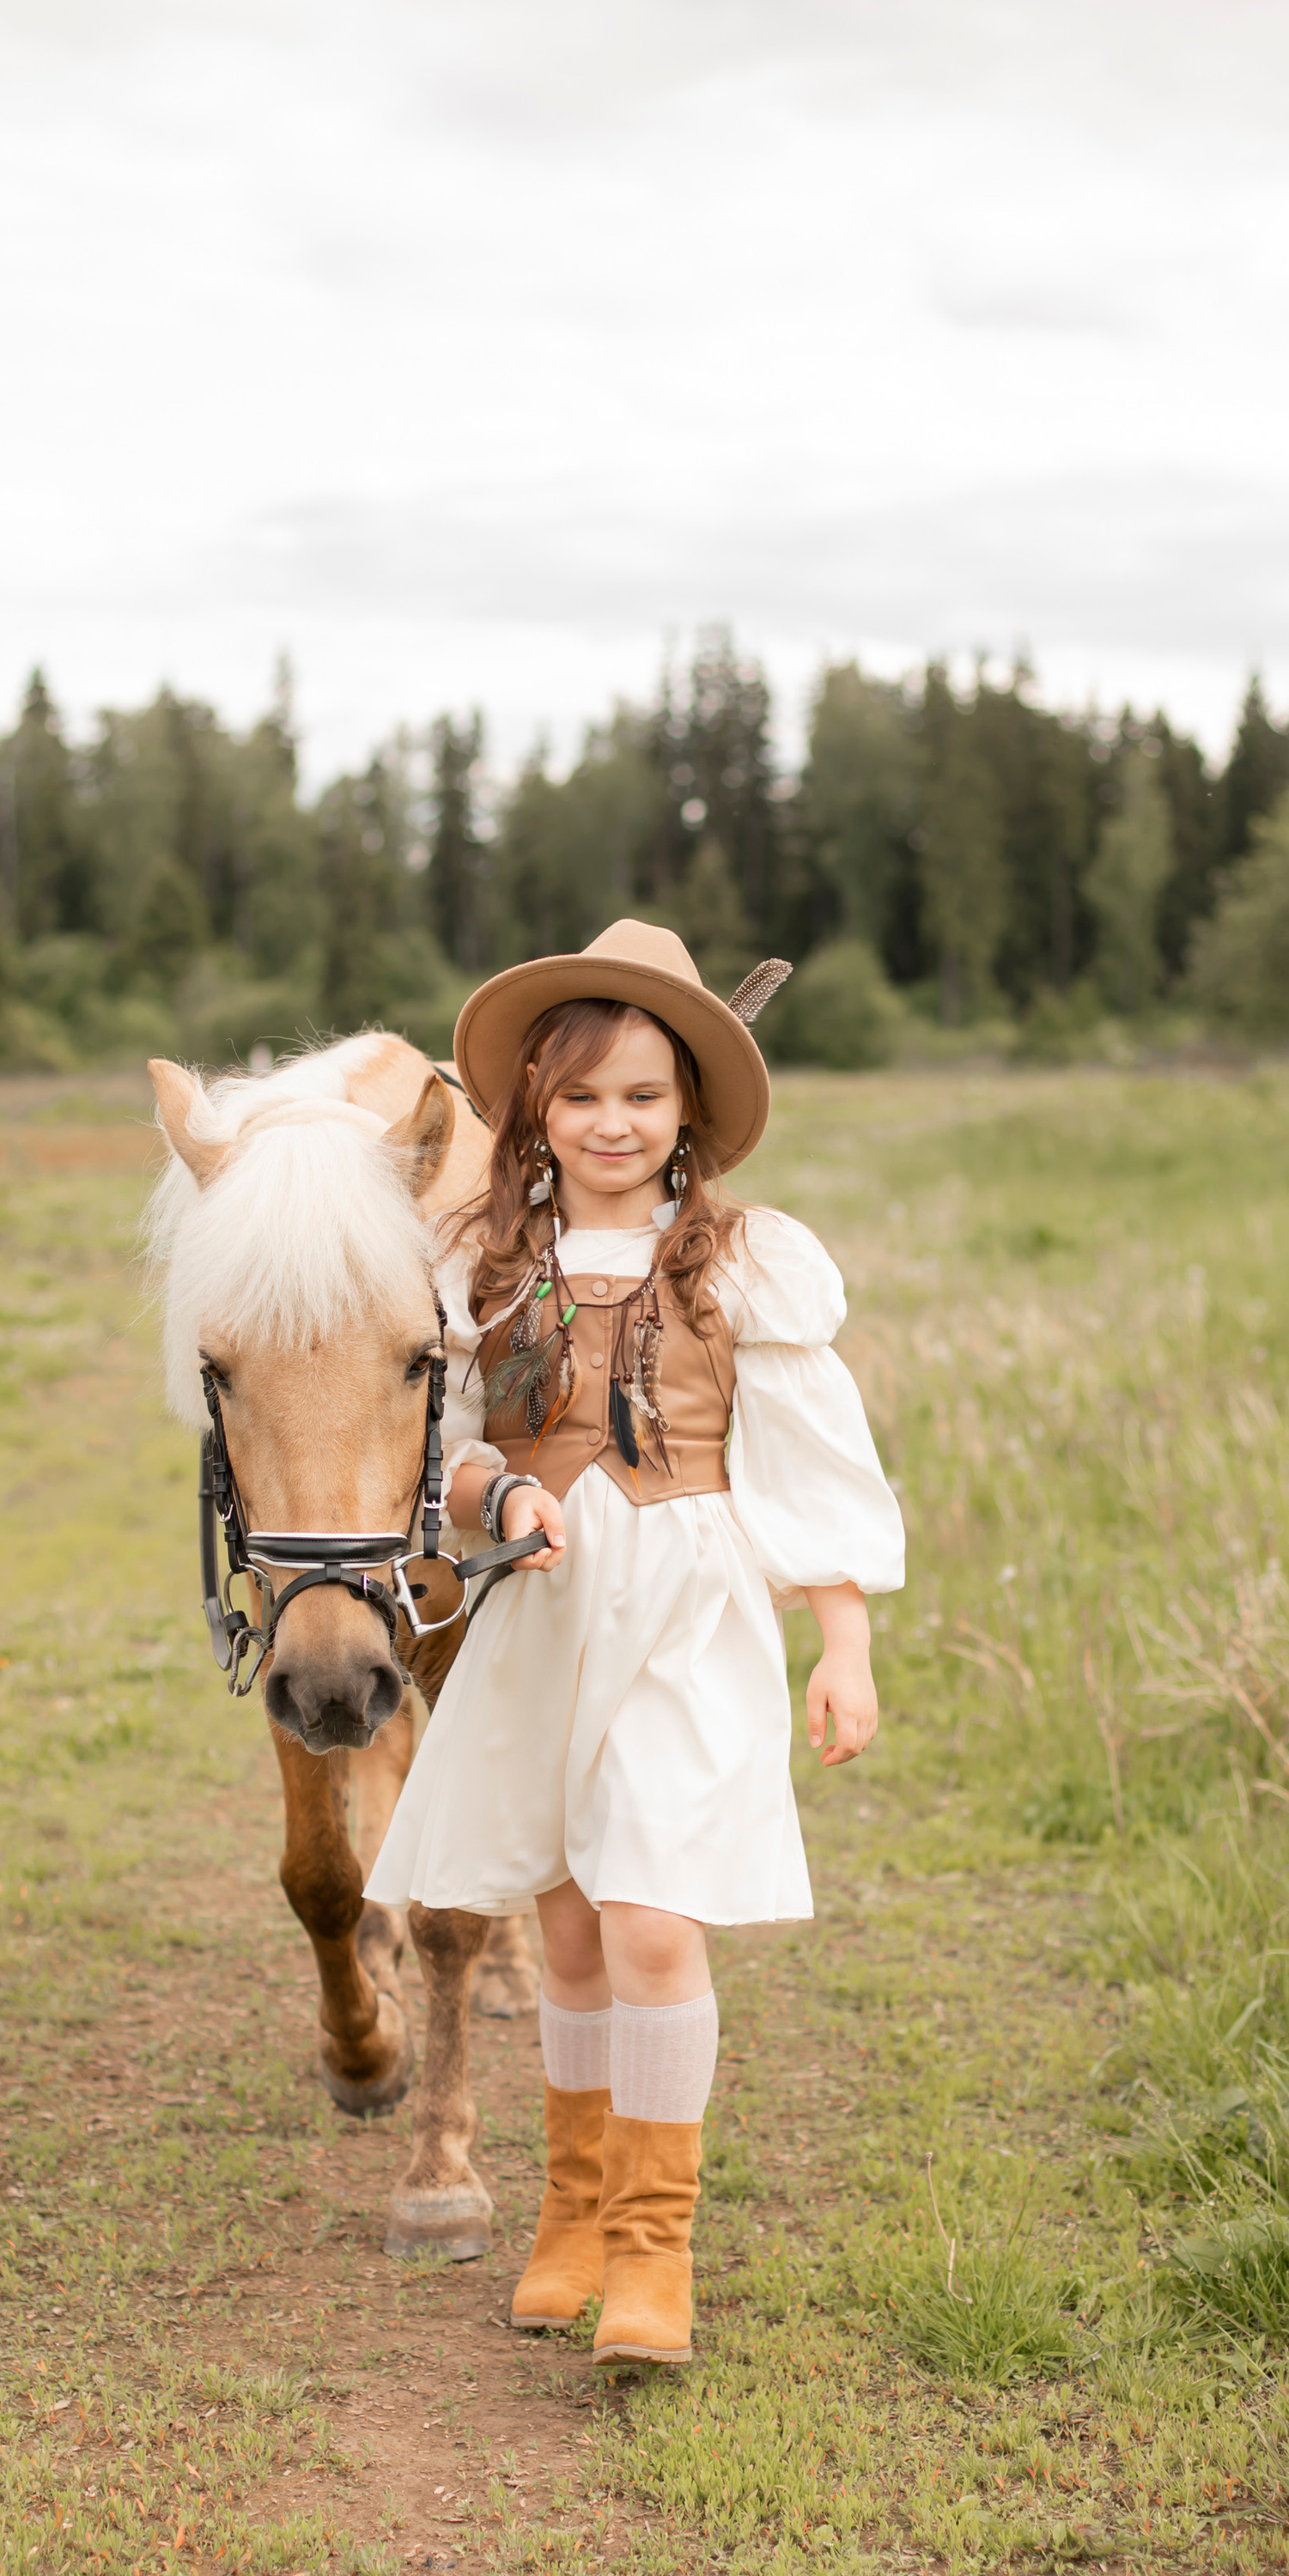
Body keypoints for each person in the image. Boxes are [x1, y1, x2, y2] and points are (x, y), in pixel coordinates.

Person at [365, 918, 904, 2367]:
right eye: (584, 1093)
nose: (614, 1123)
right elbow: (451, 1450)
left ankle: (657, 2252)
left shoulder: (741, 1264)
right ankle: (576, 2214)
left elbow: (809, 1460)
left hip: (687, 1602)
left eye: (645, 1095)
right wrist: (503, 1492)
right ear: (538, 1107)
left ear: (690, 1113)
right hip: (545, 1608)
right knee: (571, 1930)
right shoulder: (482, 1265)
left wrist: (839, 1639)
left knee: (655, 1917)